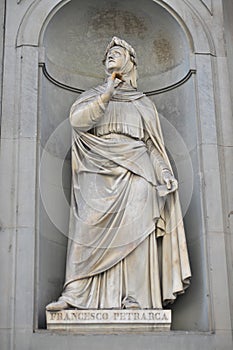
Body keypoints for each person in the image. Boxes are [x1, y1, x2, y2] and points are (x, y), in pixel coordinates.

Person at [46, 37, 191, 311]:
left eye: (117, 52)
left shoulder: (143, 104)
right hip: (97, 171)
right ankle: (76, 294)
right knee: (86, 228)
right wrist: (106, 93)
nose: (110, 56)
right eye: (108, 54)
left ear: (130, 61)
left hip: (138, 172)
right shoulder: (92, 95)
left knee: (137, 235)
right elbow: (78, 122)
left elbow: (152, 145)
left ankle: (134, 296)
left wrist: (164, 173)